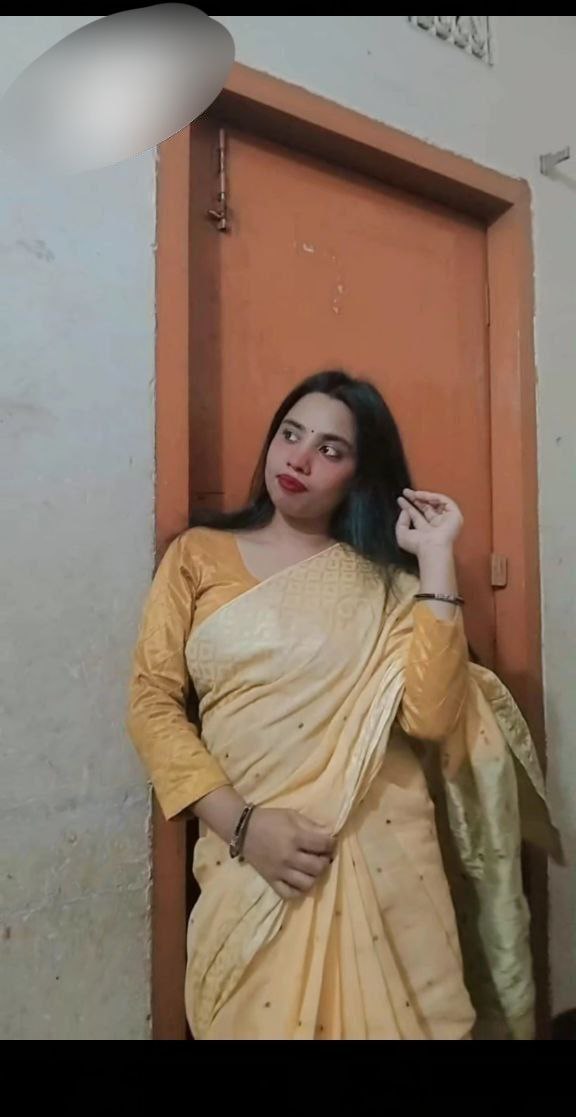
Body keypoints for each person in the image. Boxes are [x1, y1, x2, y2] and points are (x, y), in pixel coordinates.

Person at [127, 370, 557, 1040]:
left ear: (361, 473)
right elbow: (152, 705)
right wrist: (243, 827)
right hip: (251, 868)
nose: (298, 458)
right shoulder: (197, 557)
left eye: (330, 449)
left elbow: (431, 717)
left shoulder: (387, 587)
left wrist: (436, 559)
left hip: (388, 871)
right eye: (290, 434)